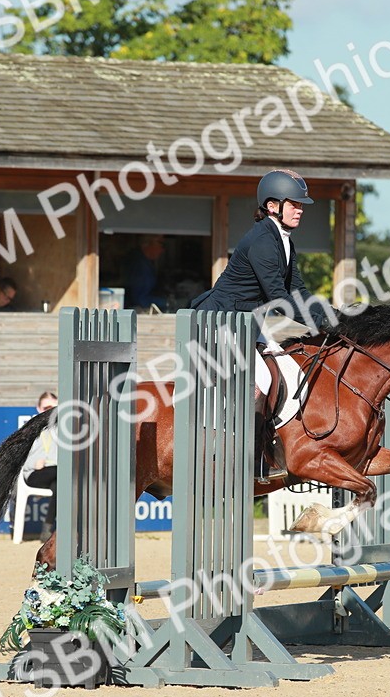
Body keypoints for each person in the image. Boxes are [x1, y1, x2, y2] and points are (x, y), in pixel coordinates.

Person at [190, 169, 320, 481]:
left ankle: (271, 444)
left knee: (288, 370)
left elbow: (298, 291)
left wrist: (333, 320)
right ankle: (246, 456)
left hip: (247, 321)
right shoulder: (263, 240)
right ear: (273, 205)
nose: (300, 209)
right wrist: (320, 325)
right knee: (260, 379)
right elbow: (278, 297)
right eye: (295, 204)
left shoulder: (284, 240)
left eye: (302, 205)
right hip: (221, 321)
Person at [22, 391, 58, 541]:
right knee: (65, 475)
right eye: (46, 407)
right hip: (35, 474)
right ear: (38, 408)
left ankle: (48, 528)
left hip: (57, 473)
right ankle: (50, 527)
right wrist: (33, 463)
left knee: (60, 485)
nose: (49, 411)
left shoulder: (66, 429)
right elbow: (19, 458)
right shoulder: (29, 428)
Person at [124, 234, 167, 309]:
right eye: (161, 244)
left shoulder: (145, 262)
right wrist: (166, 302)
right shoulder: (138, 264)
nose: (163, 250)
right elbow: (139, 298)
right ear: (147, 243)